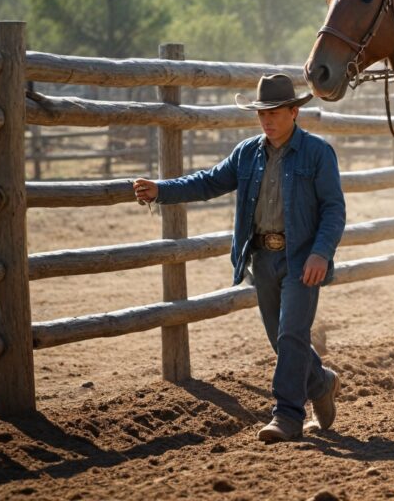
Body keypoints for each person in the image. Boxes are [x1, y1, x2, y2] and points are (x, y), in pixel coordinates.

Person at [133, 73, 346, 443]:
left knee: (291, 333)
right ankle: (321, 382)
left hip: (302, 260)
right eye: (261, 112)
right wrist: (160, 191)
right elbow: (206, 182)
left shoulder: (317, 153)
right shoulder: (247, 153)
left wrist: (321, 253)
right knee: (282, 341)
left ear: (294, 112)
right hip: (262, 258)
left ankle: (287, 416)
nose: (266, 119)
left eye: (275, 112)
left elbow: (333, 210)